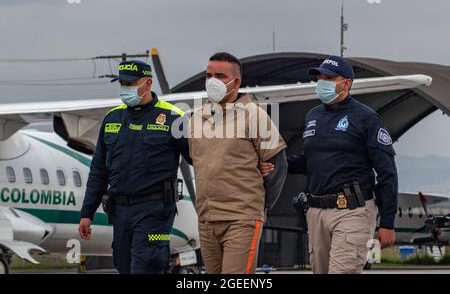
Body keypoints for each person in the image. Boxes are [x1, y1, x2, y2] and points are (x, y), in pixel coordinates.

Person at [263, 55, 398, 274]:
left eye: (329, 77)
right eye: (320, 77)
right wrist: (277, 164)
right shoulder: (313, 115)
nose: (322, 82)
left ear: (346, 83)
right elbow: (309, 162)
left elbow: (387, 172)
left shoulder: (367, 118)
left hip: (352, 210)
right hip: (316, 211)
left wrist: (388, 223)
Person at [78, 60, 191, 274]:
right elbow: (99, 170)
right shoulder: (112, 119)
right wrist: (87, 213)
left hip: (155, 212)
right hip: (120, 212)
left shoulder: (173, 118)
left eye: (130, 83)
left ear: (147, 83)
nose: (125, 88)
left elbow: (200, 158)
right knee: (123, 265)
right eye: (122, 83)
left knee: (146, 265)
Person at [188, 52, 288, 274]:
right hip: (206, 218)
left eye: (220, 76)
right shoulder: (196, 118)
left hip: (242, 217)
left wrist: (260, 206)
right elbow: (196, 160)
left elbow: (278, 167)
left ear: (236, 82)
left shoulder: (255, 115)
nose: (213, 81)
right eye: (209, 75)